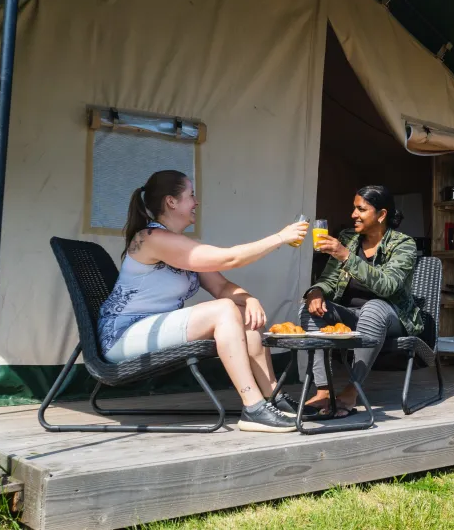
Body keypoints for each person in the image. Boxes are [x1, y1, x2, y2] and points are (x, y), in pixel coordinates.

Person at [97, 169, 309, 433]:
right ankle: (253, 407)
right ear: (171, 202)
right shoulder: (152, 238)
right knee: (224, 311)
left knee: (241, 311)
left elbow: (220, 286)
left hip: (151, 328)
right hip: (123, 337)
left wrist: (249, 298)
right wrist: (280, 237)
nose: (196, 202)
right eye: (191, 195)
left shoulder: (180, 244)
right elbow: (229, 259)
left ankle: (273, 397)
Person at [300, 185, 418, 417]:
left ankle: (353, 389)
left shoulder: (404, 245)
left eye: (361, 209)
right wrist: (316, 292)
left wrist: (345, 255)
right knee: (309, 309)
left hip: (392, 317)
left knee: (373, 308)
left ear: (382, 214)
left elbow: (387, 286)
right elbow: (329, 279)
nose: (353, 214)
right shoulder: (349, 238)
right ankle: (323, 390)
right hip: (351, 316)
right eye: (354, 208)